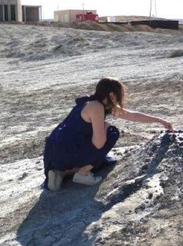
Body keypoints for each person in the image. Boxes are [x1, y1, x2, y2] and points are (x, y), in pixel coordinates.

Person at [43, 77, 173, 191]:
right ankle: (82, 173)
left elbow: (131, 115)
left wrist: (160, 121)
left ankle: (62, 173)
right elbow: (99, 144)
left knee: (102, 159)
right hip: (68, 151)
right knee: (111, 133)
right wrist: (106, 126)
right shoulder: (97, 108)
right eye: (119, 95)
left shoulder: (89, 102)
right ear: (111, 95)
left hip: (53, 152)